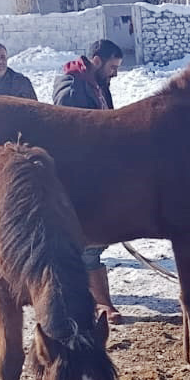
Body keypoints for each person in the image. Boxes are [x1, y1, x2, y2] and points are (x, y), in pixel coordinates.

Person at [52, 37, 124, 319]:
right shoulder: (72, 88)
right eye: (113, 66)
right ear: (97, 61)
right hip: (79, 174)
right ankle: (98, 302)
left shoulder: (96, 84)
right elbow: (69, 133)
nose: (115, 72)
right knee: (87, 239)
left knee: (94, 238)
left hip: (96, 169)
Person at [52, 37, 123, 110]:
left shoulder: (100, 82)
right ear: (97, 61)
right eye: (113, 67)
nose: (115, 74)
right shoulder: (71, 94)